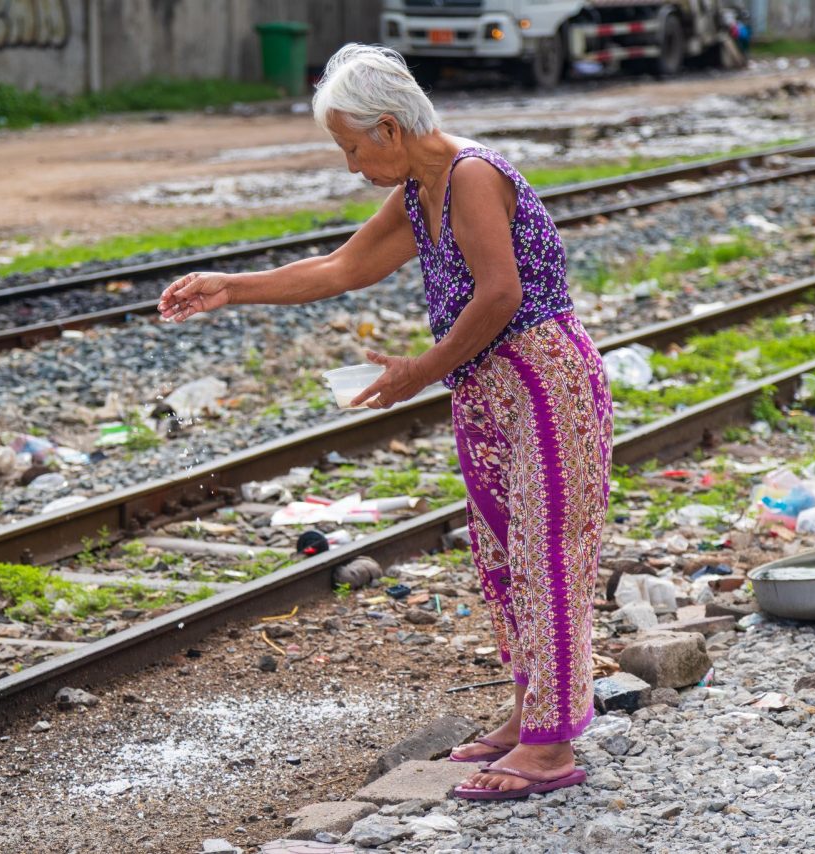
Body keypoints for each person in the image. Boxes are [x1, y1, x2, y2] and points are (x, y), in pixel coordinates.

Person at [159, 43, 613, 800]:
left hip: (542, 380)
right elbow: (342, 269)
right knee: (506, 555)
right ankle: (531, 715)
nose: (351, 165)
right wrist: (229, 287)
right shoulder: (420, 189)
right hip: (488, 385)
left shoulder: (469, 175)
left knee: (546, 555)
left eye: (352, 146)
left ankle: (551, 749)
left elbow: (500, 295)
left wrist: (419, 371)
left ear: (390, 130)